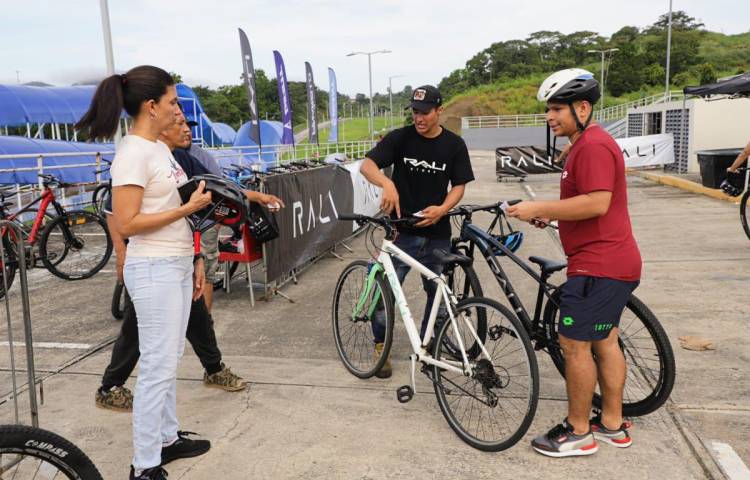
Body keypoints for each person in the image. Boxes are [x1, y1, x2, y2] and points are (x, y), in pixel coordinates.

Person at [76, 65, 212, 480]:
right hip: (151, 267)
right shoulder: (133, 152)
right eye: (172, 102)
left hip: (172, 263)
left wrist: (194, 258)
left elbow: (165, 212)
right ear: (151, 106)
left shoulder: (158, 149)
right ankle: (144, 465)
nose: (177, 110)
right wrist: (188, 209)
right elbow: (127, 223)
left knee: (167, 359)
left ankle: (167, 439)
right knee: (156, 366)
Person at [506, 68, 642, 457]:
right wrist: (553, 215)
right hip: (611, 260)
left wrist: (539, 205)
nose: (550, 118)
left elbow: (598, 201)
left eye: (557, 109)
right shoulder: (586, 143)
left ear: (582, 108)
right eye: (548, 110)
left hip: (599, 264)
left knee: (574, 346)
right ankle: (613, 424)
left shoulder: (593, 146)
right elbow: (591, 205)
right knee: (605, 341)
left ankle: (579, 431)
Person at [95, 115, 252, 417]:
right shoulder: (138, 155)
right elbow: (116, 214)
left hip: (178, 261)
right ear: (158, 123)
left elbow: (212, 193)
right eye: (178, 121)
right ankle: (110, 387)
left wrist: (195, 257)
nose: (186, 129)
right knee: (136, 329)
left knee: (197, 316)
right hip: (149, 261)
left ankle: (213, 368)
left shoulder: (177, 159)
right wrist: (120, 252)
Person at [360, 85, 474, 378]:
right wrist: (387, 183)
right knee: (383, 290)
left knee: (438, 294)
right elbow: (368, 166)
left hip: (438, 234)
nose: (419, 118)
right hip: (402, 232)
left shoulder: (454, 145)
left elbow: (459, 185)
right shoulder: (400, 138)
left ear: (439, 111)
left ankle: (428, 344)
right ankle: (381, 344)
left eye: (425, 112)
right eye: (415, 112)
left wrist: (443, 208)